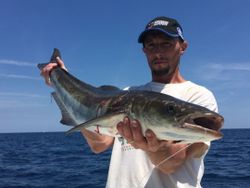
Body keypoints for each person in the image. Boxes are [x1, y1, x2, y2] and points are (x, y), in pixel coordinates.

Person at [40, 16, 219, 188]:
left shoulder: (199, 97)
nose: (158, 52)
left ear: (183, 47)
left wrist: (150, 146)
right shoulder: (126, 94)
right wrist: (62, 80)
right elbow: (99, 144)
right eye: (151, 45)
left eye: (166, 44)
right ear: (144, 51)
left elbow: (171, 165)